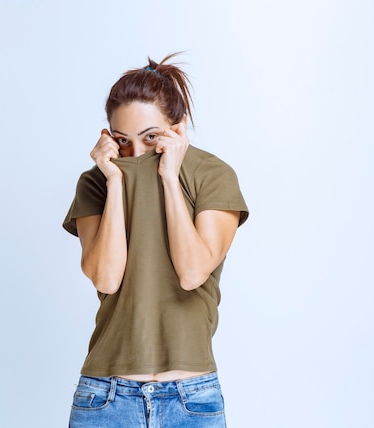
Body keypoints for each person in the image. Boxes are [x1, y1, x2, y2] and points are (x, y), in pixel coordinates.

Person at [63, 53, 249, 428]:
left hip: (190, 398)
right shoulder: (96, 182)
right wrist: (116, 181)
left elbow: (192, 271)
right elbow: (106, 278)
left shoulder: (212, 174)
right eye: (122, 141)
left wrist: (168, 178)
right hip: (105, 397)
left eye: (151, 138)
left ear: (177, 129)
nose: (136, 155)